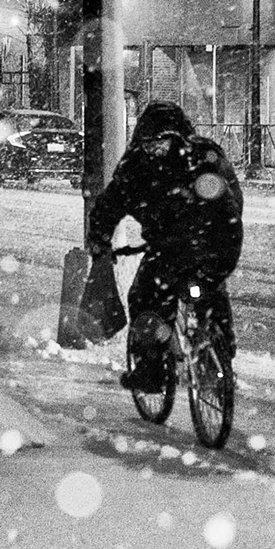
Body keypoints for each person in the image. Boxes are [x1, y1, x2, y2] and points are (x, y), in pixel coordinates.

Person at [87, 101, 244, 391]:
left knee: (145, 297)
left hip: (182, 244)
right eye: (154, 144)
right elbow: (232, 197)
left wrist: (99, 243)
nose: (158, 150)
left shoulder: (138, 163)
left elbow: (109, 205)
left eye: (160, 143)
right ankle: (221, 351)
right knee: (210, 287)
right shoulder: (205, 154)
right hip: (218, 239)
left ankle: (152, 369)